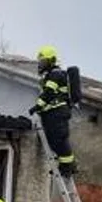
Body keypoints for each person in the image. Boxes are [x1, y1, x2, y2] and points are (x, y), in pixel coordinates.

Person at [29, 46, 76, 176]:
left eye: (43, 62)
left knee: (59, 140)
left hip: (57, 113)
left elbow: (49, 93)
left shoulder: (55, 74)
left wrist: (37, 107)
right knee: (54, 141)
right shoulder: (51, 75)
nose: (41, 64)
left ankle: (68, 166)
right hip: (53, 113)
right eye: (40, 62)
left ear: (52, 61)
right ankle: (65, 165)